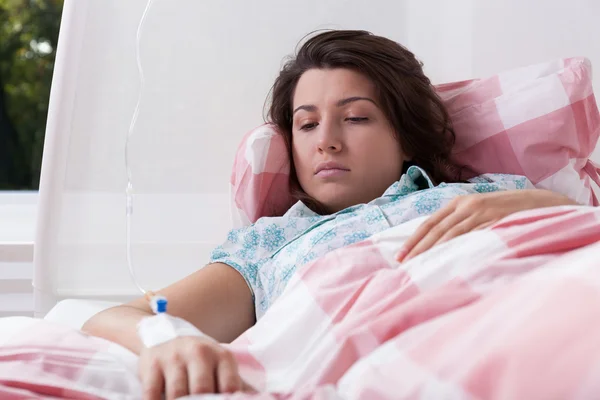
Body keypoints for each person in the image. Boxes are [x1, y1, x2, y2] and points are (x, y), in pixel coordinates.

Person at [82, 30, 576, 399]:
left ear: (404, 135)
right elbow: (119, 317)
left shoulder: (491, 192)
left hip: (522, 315)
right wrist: (165, 338)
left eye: (356, 117)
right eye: (307, 124)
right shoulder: (268, 246)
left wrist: (542, 204)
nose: (327, 141)